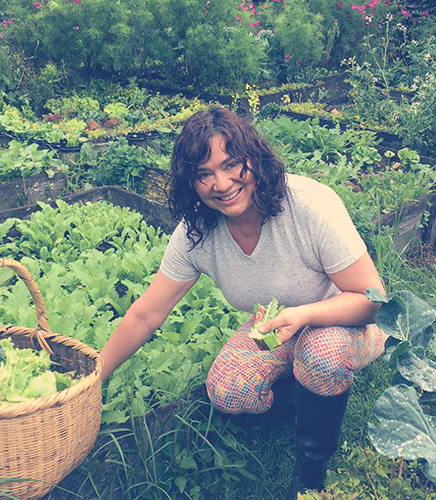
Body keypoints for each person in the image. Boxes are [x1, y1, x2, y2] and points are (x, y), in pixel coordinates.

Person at [99, 105, 388, 499]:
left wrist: (304, 315)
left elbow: (371, 299)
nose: (221, 183)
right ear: (191, 182)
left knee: (321, 352)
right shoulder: (196, 233)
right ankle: (308, 394)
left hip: (345, 320)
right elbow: (148, 313)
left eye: (232, 164)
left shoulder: (309, 205)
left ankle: (310, 471)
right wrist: (94, 375)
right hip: (276, 329)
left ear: (254, 158)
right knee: (228, 390)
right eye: (204, 174)